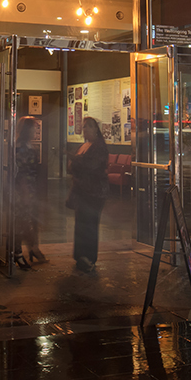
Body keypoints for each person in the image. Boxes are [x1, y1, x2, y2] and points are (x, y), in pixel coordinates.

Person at [69, 116, 109, 273]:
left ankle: (89, 257)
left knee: (90, 224)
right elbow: (73, 167)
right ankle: (80, 255)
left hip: (94, 193)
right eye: (83, 126)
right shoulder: (83, 146)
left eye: (87, 126)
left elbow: (91, 167)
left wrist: (75, 161)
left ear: (95, 129)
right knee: (81, 223)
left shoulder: (99, 147)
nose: (84, 129)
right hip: (82, 190)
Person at [12, 116, 46, 269]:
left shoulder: (26, 145)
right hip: (23, 190)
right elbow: (21, 172)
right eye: (34, 128)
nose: (36, 131)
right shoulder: (21, 147)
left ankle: (32, 248)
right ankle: (18, 253)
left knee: (30, 220)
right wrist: (25, 191)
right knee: (22, 221)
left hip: (31, 189)